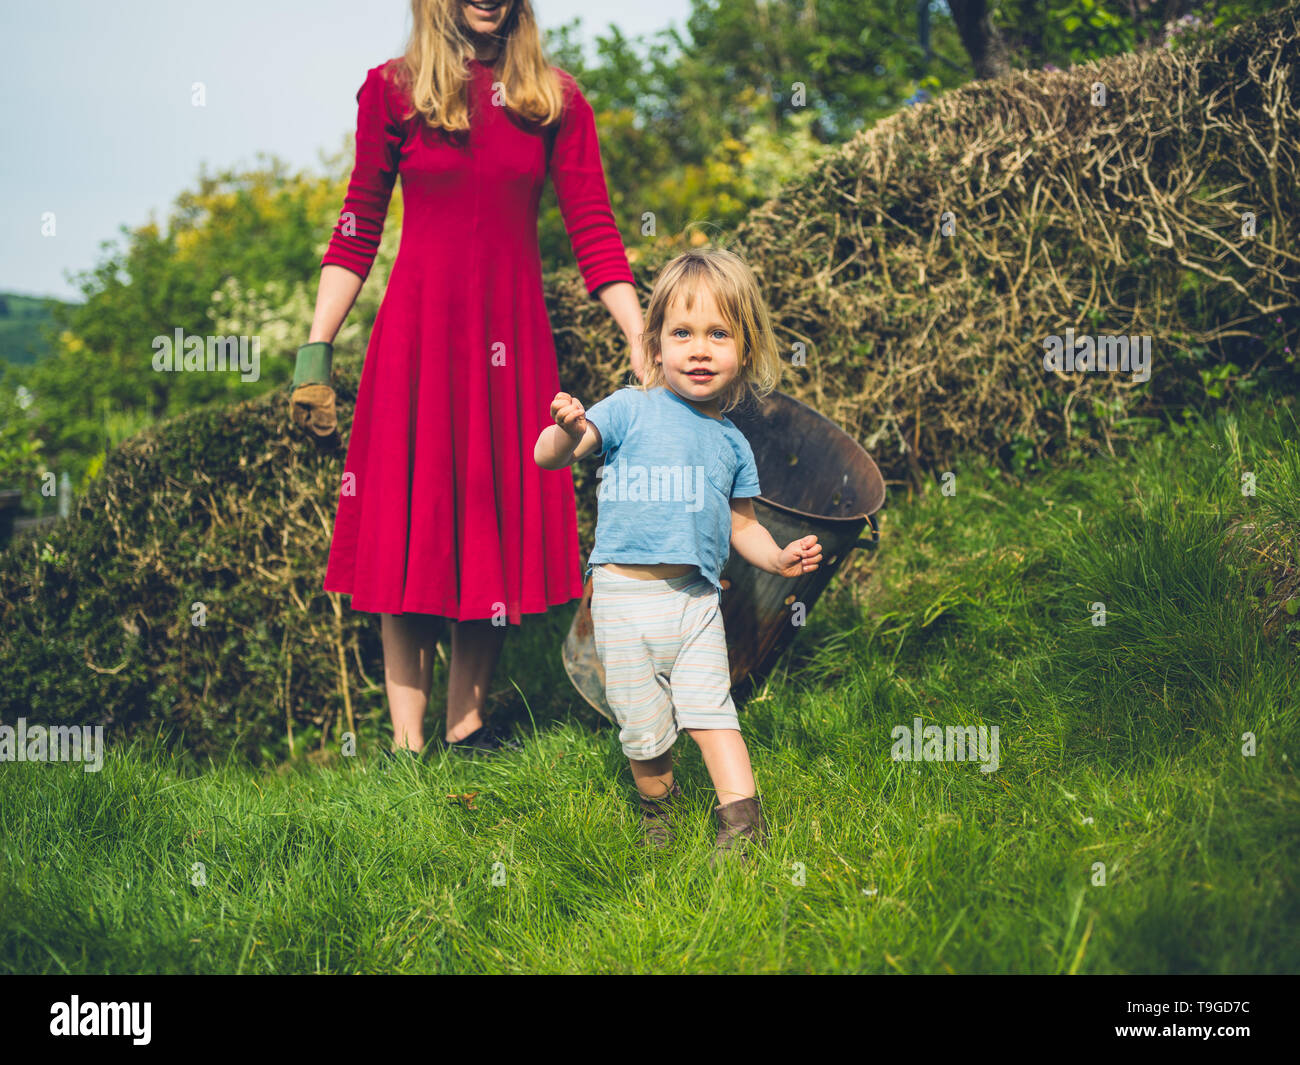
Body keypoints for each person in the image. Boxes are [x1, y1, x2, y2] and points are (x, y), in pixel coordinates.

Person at [292, 0, 645, 757]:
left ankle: (468, 728)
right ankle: (407, 750)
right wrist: (314, 355)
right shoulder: (392, 89)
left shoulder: (556, 100)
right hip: (415, 343)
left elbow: (594, 227)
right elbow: (358, 223)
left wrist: (642, 334)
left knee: (492, 523)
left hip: (513, 348)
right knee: (406, 529)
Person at [534, 247, 822, 863]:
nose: (699, 349)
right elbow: (551, 456)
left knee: (712, 711)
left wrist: (777, 560)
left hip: (695, 603)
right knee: (643, 734)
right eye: (682, 333)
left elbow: (742, 526)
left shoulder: (732, 444)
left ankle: (743, 826)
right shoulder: (629, 409)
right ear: (655, 344)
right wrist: (564, 425)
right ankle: (657, 816)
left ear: (745, 348)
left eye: (718, 334)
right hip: (622, 603)